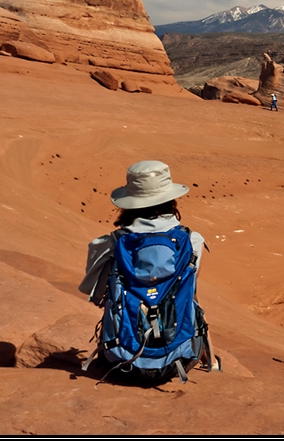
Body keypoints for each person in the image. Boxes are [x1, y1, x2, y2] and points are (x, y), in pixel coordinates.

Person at [80, 160, 215, 380]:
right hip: (179, 360)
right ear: (172, 201)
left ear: (129, 203)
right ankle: (208, 360)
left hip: (121, 360)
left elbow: (95, 293)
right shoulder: (193, 241)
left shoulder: (110, 245)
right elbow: (190, 289)